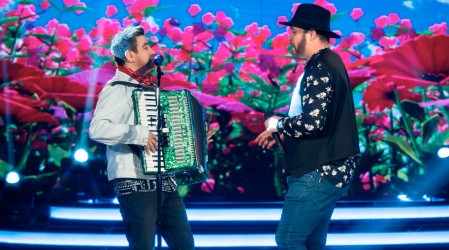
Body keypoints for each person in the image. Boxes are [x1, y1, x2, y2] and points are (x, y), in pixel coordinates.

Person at [89, 25, 213, 250]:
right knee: (143, 246)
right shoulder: (116, 89)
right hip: (133, 180)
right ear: (130, 55)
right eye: (145, 47)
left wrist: (198, 142)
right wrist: (139, 133)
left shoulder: (149, 87)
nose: (151, 50)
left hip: (164, 179)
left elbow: (164, 134)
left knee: (184, 244)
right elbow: (97, 129)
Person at [255, 3, 360, 249]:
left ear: (311, 33)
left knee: (289, 238)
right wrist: (281, 130)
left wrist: (276, 123)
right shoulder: (327, 63)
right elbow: (317, 116)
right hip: (327, 169)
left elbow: (313, 122)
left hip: (318, 171)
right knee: (312, 241)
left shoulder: (321, 66)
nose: (290, 39)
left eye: (294, 32)